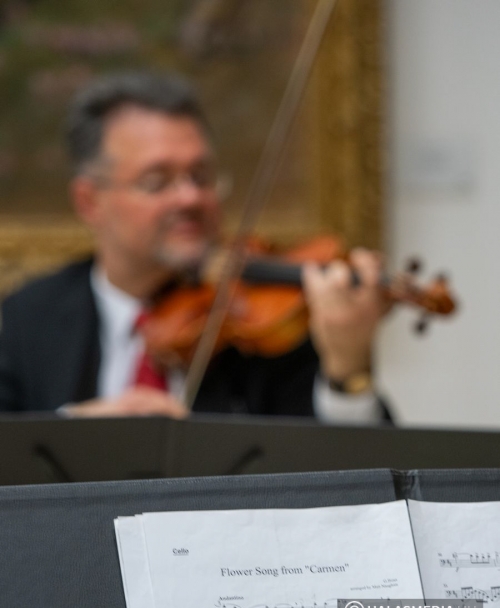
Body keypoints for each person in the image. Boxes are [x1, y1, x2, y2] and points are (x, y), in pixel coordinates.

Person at [0, 71, 392, 422]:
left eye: (200, 176)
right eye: (157, 181)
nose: (190, 198)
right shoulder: (26, 319)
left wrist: (349, 371)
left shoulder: (262, 325)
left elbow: (350, 468)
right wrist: (69, 427)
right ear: (89, 201)